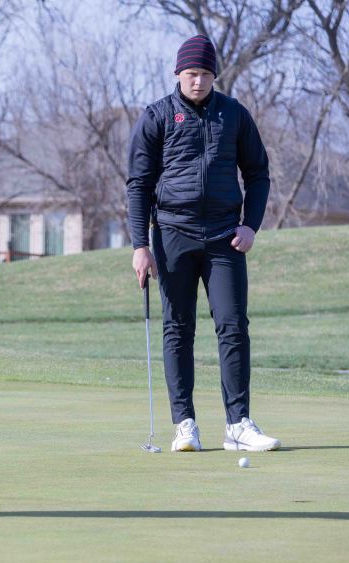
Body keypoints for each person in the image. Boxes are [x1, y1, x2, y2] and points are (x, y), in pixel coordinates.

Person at [126, 35, 281, 453]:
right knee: (178, 328)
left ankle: (238, 424)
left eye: (206, 74)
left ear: (215, 76)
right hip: (173, 235)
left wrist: (251, 225)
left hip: (224, 237)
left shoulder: (233, 114)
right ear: (178, 74)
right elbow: (138, 184)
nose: (198, 81)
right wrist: (140, 244)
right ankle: (185, 424)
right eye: (192, 74)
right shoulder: (157, 116)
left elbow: (258, 173)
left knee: (233, 326)